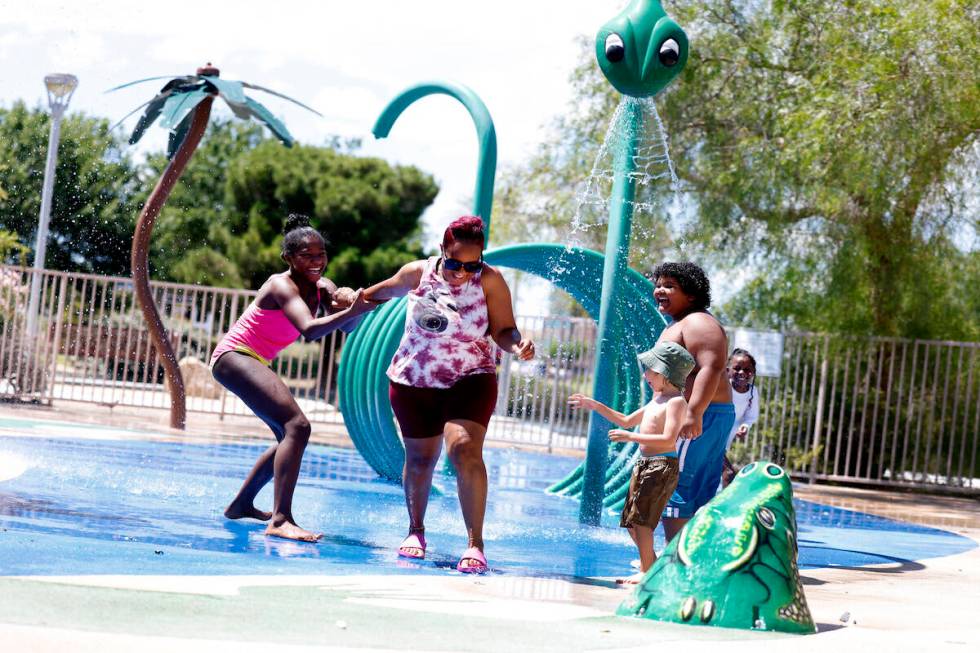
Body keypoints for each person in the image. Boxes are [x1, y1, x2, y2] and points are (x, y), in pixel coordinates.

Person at [362, 215, 535, 573]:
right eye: (455, 263)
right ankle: (415, 531)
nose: (461, 272)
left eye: (471, 265)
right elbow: (377, 293)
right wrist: (349, 302)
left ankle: (475, 543)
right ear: (442, 250)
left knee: (463, 448)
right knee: (421, 459)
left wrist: (517, 345)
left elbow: (504, 329)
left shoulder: (489, 280)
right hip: (415, 377)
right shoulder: (417, 273)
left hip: (470, 376)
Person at [210, 214, 376, 542]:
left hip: (252, 359)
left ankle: (241, 505)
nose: (317, 262)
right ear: (289, 258)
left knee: (288, 435)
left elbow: (345, 325)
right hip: (234, 356)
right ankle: (280, 519)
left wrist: (350, 304)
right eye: (307, 256)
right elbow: (310, 331)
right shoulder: (280, 285)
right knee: (297, 427)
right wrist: (353, 310)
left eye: (321, 255)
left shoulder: (321, 286)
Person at [569, 341, 694, 584]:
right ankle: (654, 565)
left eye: (650, 370)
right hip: (645, 465)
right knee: (630, 522)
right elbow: (626, 420)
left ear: (665, 373)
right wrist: (594, 405)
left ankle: (647, 571)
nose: (646, 375)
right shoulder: (656, 400)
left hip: (660, 465)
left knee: (642, 521)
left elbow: (668, 438)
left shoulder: (676, 402)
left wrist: (631, 437)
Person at [651, 262, 735, 541]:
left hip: (701, 413)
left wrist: (693, 413)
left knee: (674, 482)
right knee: (694, 487)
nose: (660, 289)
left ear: (692, 294)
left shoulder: (698, 323)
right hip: (702, 413)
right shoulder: (682, 323)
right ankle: (689, 552)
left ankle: (673, 558)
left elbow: (711, 368)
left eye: (669, 286)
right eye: (659, 284)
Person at [721, 348, 760, 486]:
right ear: (728, 370)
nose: (742, 372)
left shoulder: (752, 393)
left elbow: (751, 417)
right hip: (714, 437)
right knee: (728, 473)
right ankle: (725, 506)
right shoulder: (724, 387)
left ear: (753, 372)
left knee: (720, 474)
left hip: (726, 440)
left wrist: (744, 427)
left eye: (747, 369)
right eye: (737, 368)